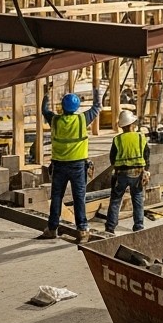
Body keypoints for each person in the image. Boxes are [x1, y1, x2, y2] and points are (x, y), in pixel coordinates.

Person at [37, 89, 102, 243]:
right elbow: (97, 107)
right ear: (77, 107)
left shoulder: (55, 121)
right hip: (78, 166)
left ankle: (52, 229)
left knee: (57, 197)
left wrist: (45, 94)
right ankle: (82, 231)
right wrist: (96, 91)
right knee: (79, 197)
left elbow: (44, 110)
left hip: (59, 166)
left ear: (62, 107)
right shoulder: (82, 119)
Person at [105, 109, 151, 234]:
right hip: (137, 173)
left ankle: (110, 227)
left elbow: (112, 159)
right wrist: (146, 171)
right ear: (132, 125)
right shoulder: (141, 137)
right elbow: (146, 154)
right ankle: (138, 226)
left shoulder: (117, 140)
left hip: (121, 173)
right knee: (137, 199)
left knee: (115, 200)